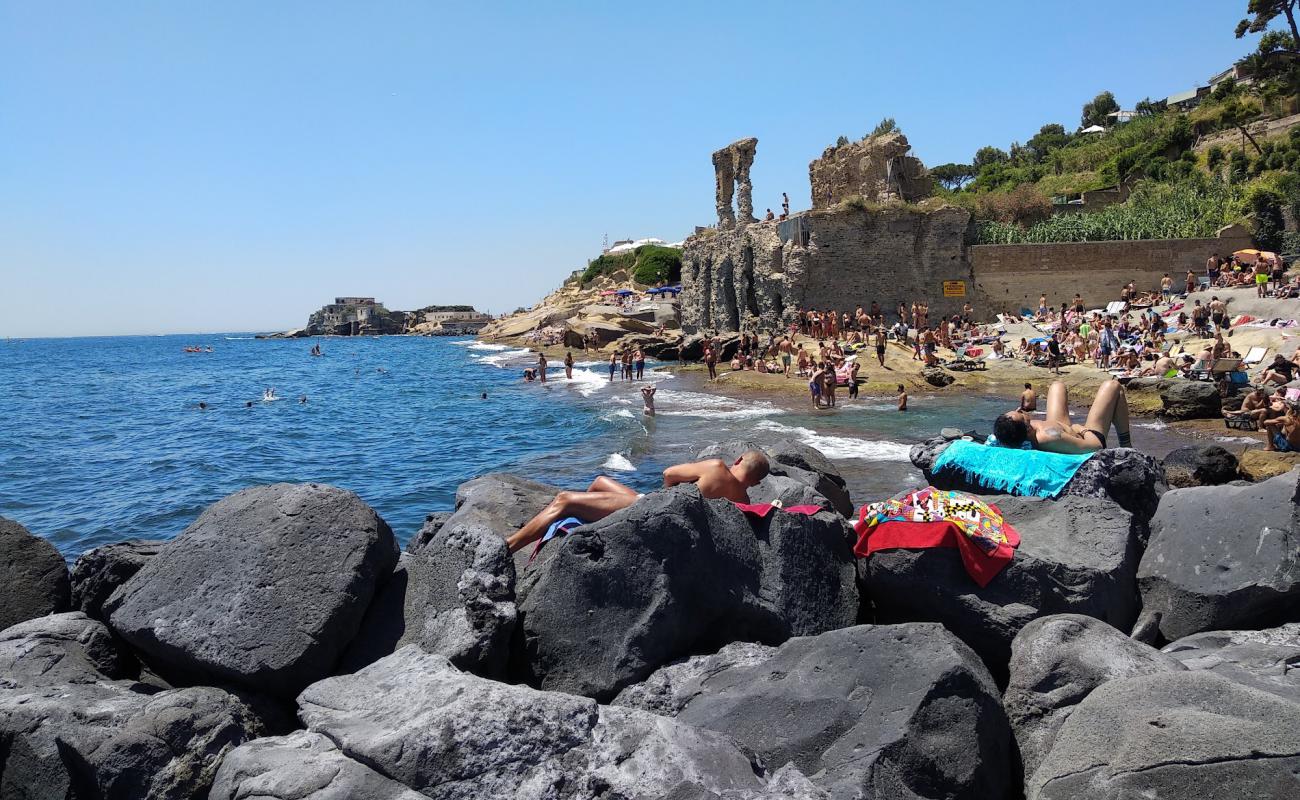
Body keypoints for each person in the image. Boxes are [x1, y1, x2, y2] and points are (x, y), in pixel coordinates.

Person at [503, 452, 771, 552]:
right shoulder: (744, 499)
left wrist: (669, 496)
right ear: (756, 482)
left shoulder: (716, 466)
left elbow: (669, 473)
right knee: (598, 482)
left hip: (653, 509)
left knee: (563, 500)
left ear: (738, 461)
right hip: (663, 511)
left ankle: (509, 546)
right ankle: (592, 523)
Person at [992, 379, 1132, 454]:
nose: (1020, 410)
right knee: (1113, 386)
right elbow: (1095, 447)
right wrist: (1082, 429)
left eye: (1017, 411)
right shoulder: (1049, 436)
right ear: (1027, 429)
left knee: (1057, 385)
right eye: (1021, 415)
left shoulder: (1015, 430)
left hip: (1058, 426)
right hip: (1086, 437)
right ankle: (1126, 445)